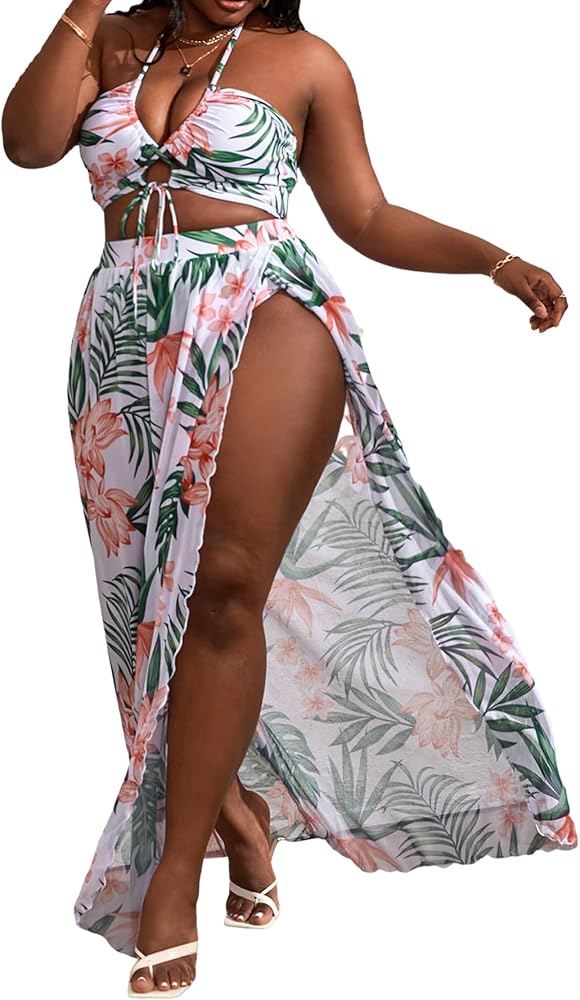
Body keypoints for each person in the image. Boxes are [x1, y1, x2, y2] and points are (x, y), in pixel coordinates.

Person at [3, 0, 576, 996]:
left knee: (225, 583)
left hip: (265, 305)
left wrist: (493, 259)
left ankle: (171, 877)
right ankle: (236, 812)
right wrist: (85, 7)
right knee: (147, 609)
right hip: (127, 332)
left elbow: (367, 215)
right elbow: (27, 143)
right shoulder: (110, 39)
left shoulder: (305, 60)